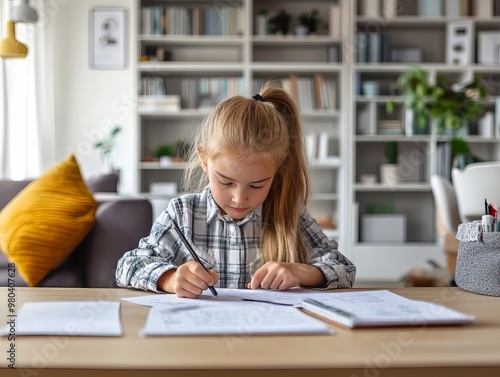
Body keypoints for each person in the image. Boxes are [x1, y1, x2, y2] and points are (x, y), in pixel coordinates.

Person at [116, 82, 356, 297]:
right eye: (226, 181)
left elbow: (344, 269)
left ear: (277, 170)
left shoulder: (289, 213)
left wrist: (302, 272)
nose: (239, 198)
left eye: (257, 185)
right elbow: (128, 265)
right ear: (204, 159)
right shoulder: (182, 213)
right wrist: (169, 279)